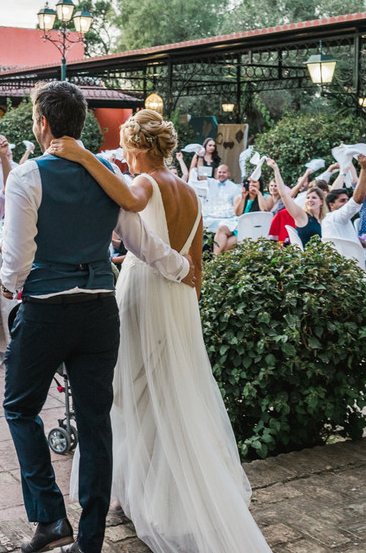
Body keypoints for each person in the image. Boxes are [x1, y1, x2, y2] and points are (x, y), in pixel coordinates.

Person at [44, 106, 268, 553]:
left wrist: (87, 158)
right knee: (166, 390)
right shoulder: (189, 189)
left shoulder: (145, 183)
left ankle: (146, 496)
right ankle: (146, 491)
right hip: (178, 294)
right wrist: (191, 284)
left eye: (127, 149)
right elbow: (195, 257)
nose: (124, 158)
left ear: (141, 149)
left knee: (131, 392)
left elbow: (126, 203)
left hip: (147, 293)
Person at [0, 83, 196, 553]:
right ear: (81, 123)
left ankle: (49, 518)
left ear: (42, 123)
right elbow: (137, 241)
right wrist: (182, 268)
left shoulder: (27, 176)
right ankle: (89, 542)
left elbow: (17, 262)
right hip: (99, 314)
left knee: (20, 406)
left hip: (47, 311)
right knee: (95, 422)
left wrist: (9, 287)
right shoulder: (107, 174)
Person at [266, 157, 324, 246]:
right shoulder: (303, 216)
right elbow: (284, 195)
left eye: (314, 198)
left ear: (321, 201)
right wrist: (276, 169)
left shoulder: (327, 217)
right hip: (307, 257)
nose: (310, 200)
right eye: (308, 198)